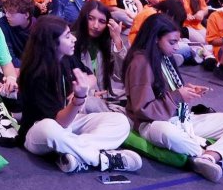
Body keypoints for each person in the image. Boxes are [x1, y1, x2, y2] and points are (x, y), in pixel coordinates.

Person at [124, 14, 223, 183]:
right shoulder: (141, 62)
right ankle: (218, 155)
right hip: (153, 123)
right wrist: (178, 96)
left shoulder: (164, 57)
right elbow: (143, 109)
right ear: (155, 39)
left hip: (183, 119)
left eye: (177, 42)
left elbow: (170, 92)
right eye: (172, 42)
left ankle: (210, 156)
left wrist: (186, 90)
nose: (176, 47)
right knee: (167, 133)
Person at [19, 15, 139, 173]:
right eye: (67, 36)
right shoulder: (35, 74)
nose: (73, 39)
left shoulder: (66, 58)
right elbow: (59, 123)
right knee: (50, 128)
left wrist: (85, 87)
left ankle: (74, 154)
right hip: (39, 133)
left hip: (69, 123)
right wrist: (79, 98)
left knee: (120, 121)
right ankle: (102, 159)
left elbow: (91, 77)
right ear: (52, 43)